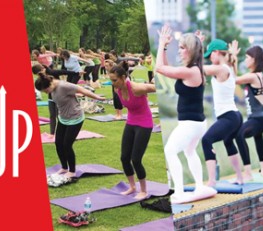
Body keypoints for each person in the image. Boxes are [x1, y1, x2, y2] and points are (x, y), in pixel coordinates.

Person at [156, 24, 214, 203]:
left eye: (182, 48)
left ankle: (179, 191)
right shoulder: (195, 69)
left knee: (170, 150)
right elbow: (166, 66)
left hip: (190, 123)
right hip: (196, 123)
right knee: (189, 152)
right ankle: (199, 185)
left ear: (190, 50)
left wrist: (160, 43)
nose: (179, 51)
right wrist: (166, 47)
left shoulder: (189, 71)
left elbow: (159, 68)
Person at [35, 67, 106, 186]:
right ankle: (64, 167)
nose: (47, 93)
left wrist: (97, 98)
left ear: (50, 83)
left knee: (67, 145)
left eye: (46, 90)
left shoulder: (64, 86)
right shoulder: (51, 87)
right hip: (63, 119)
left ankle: (72, 171)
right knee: (58, 143)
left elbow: (82, 90)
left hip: (75, 118)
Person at [199, 36, 244, 186]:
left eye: (210, 54)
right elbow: (231, 60)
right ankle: (240, 177)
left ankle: (211, 181)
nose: (209, 58)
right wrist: (233, 55)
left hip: (229, 117)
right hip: (234, 116)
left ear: (217, 52)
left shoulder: (221, 69)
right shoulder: (230, 67)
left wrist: (197, 47)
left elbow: (199, 69)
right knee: (228, 142)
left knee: (206, 140)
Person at [109, 61, 155, 200]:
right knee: (124, 158)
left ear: (123, 77)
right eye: (111, 80)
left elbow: (156, 87)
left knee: (136, 159)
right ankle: (132, 186)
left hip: (145, 123)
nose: (113, 83)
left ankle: (143, 190)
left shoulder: (136, 88)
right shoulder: (118, 90)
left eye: (115, 80)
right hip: (131, 122)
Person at [229, 42, 263, 181]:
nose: (245, 60)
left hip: (258, 118)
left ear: (254, 59)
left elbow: (233, 80)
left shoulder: (252, 76)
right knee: (258, 136)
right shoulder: (259, 75)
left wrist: (233, 57)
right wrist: (233, 61)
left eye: (247, 57)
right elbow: (237, 79)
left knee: (239, 135)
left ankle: (248, 173)